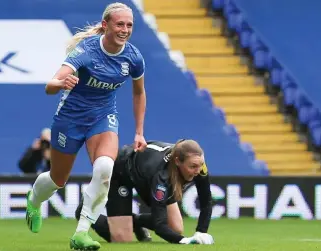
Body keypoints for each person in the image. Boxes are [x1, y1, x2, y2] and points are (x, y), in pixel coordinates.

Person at [25, 2, 147, 250]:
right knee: (58, 180)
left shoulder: (133, 57)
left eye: (129, 25)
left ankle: (81, 233)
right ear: (106, 25)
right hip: (70, 120)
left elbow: (139, 93)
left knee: (104, 169)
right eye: (120, 24)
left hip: (103, 118)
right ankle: (34, 200)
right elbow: (51, 85)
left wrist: (139, 132)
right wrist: (62, 83)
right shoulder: (86, 51)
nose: (125, 29)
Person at [75, 140, 215, 245]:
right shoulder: (161, 176)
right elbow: (159, 225)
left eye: (200, 165)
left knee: (175, 228)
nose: (198, 171)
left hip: (144, 172)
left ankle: (135, 221)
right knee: (122, 238)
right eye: (193, 167)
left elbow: (206, 201)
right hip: (121, 171)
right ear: (178, 161)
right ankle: (85, 212)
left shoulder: (198, 166)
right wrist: (184, 241)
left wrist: (201, 232)